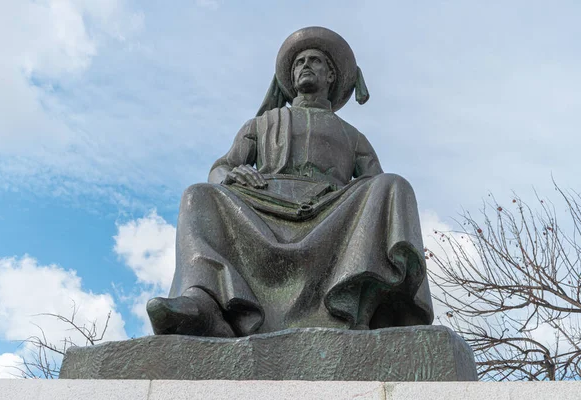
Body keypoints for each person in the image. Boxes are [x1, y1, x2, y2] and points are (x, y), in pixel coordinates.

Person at [147, 27, 433, 337]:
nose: (306, 66)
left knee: (394, 186)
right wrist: (230, 175)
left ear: (331, 76)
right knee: (198, 195)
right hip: (263, 204)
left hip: (331, 211)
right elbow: (222, 167)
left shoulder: (353, 137)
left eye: (315, 61)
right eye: (299, 62)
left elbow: (375, 184)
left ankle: (366, 307)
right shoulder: (262, 123)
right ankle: (203, 301)